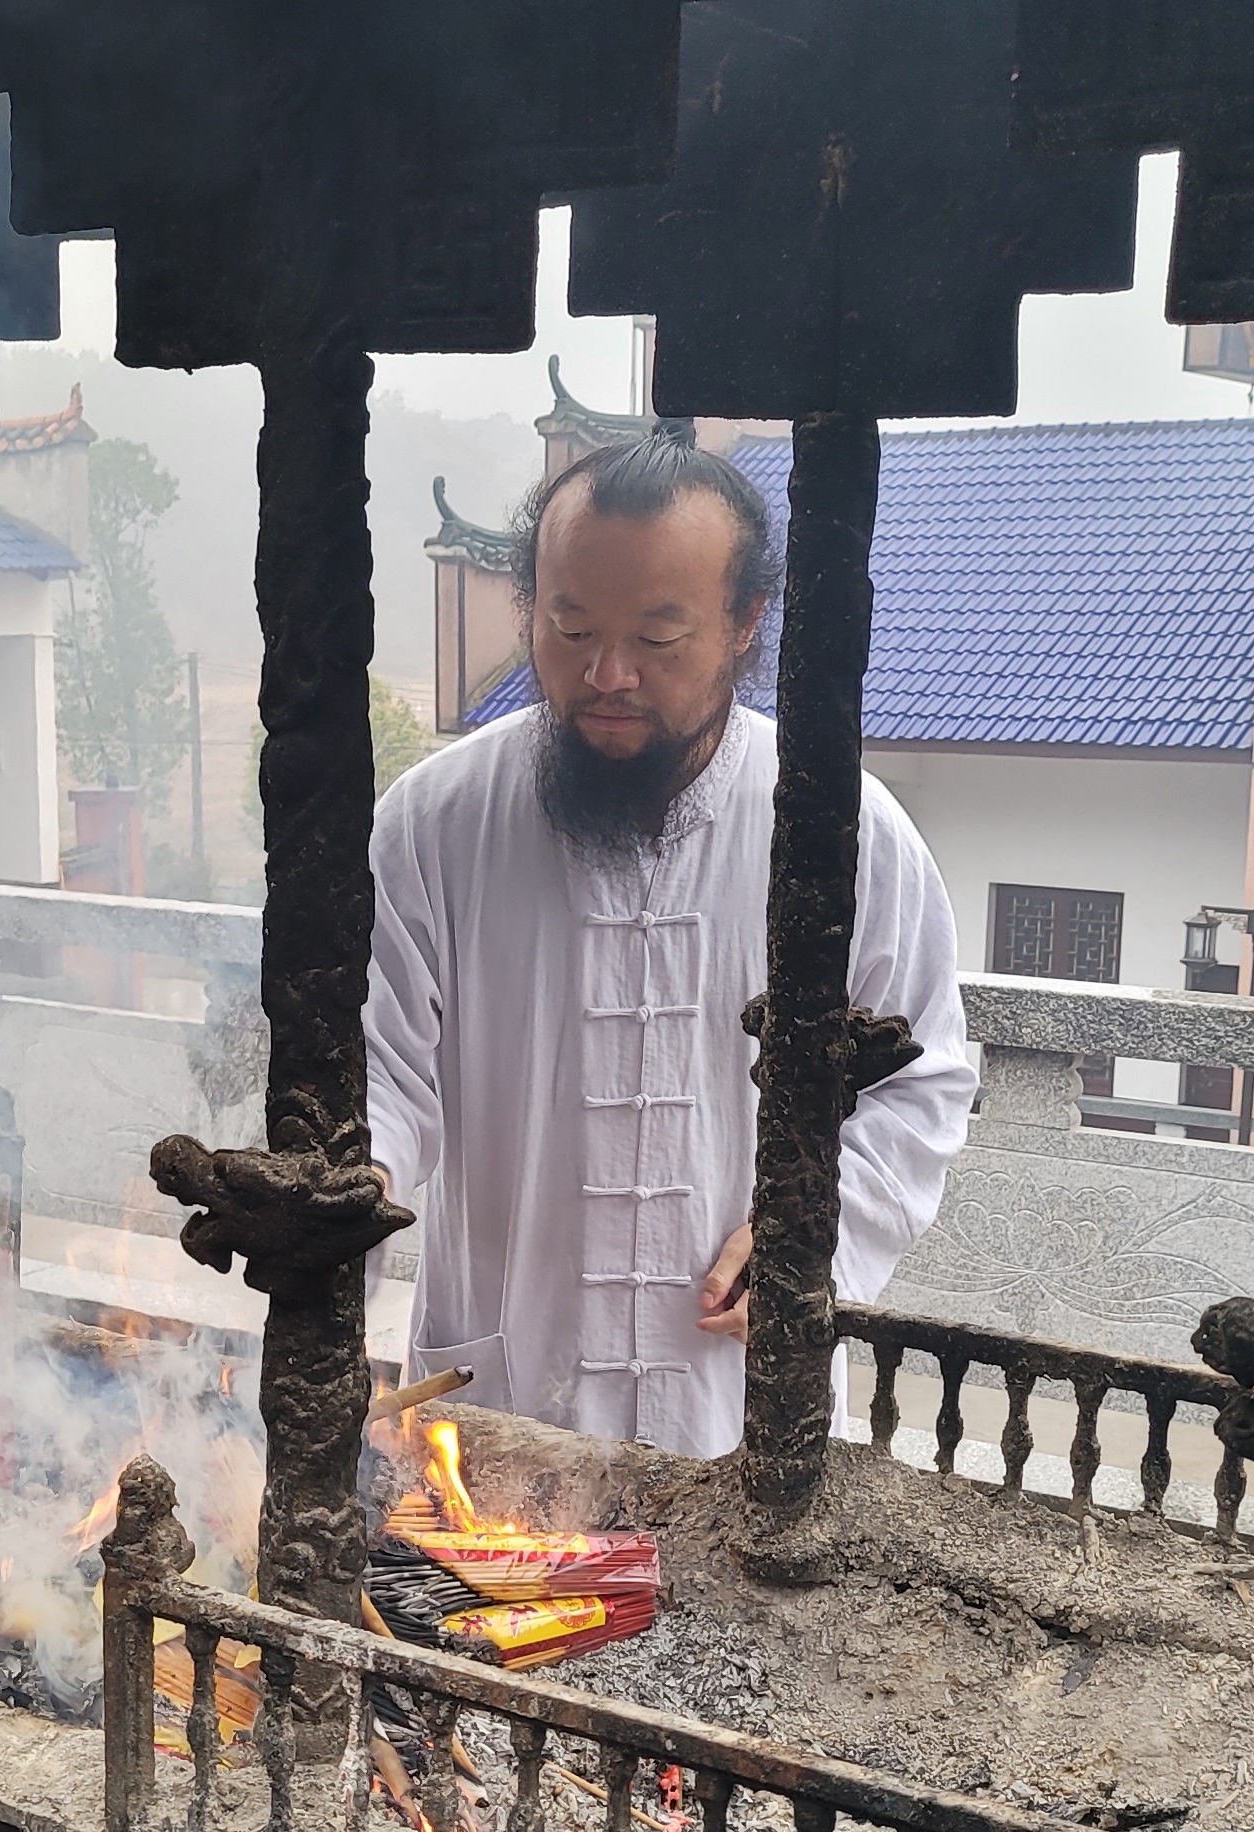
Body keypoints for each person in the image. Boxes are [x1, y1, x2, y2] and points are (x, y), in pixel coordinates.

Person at [367, 433, 975, 1458]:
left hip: (733, 1403)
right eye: (569, 629)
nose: (607, 675)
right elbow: (376, 1076)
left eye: (658, 637)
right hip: (506, 1392)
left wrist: (816, 1230)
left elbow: (924, 1082)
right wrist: (355, 1196)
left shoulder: (840, 831)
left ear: (744, 625)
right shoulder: (436, 822)